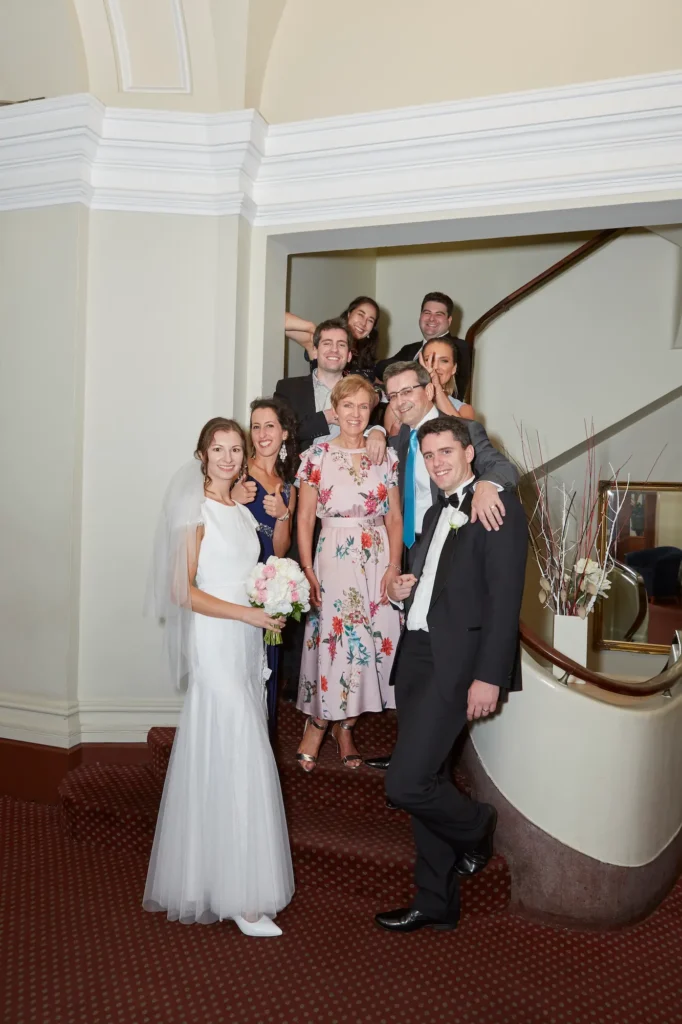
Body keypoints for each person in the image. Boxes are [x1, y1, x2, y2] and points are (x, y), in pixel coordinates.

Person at [375, 416, 527, 933]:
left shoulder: (494, 506)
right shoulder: (439, 510)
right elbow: (435, 584)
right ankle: (435, 899)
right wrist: (400, 592)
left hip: (456, 666)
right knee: (430, 776)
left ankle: (478, 824)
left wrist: (490, 676)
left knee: (407, 782)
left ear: (469, 454)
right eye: (430, 455)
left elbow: (505, 602)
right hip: (416, 655)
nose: (438, 463)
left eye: (447, 452)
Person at [143, 417, 294, 938]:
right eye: (219, 449)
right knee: (239, 748)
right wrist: (249, 614)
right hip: (216, 640)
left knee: (235, 750)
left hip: (247, 643)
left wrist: (272, 597)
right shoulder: (196, 509)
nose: (229, 457)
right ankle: (240, 898)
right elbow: (183, 592)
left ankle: (224, 880)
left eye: (237, 448)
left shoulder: (241, 509)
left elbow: (253, 571)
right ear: (202, 455)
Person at [363, 361, 519, 773]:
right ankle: (414, 765)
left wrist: (487, 483)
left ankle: (417, 775)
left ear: (429, 388)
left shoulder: (460, 430)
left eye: (407, 391)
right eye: (392, 396)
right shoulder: (399, 439)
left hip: (459, 563)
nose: (399, 402)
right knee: (417, 685)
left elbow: (501, 466)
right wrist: (376, 429)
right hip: (421, 559)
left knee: (443, 681)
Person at [295, 376, 403, 772]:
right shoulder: (316, 456)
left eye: (363, 407)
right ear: (335, 410)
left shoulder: (385, 457)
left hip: (377, 555)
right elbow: (305, 517)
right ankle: (320, 721)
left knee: (373, 640)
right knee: (339, 637)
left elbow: (394, 517)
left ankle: (347, 726)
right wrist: (307, 569)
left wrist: (393, 567)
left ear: (371, 410)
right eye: (348, 406)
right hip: (334, 555)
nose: (355, 414)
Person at [231, 397, 298, 735]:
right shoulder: (239, 472)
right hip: (236, 583)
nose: (261, 433)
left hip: (266, 588)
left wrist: (282, 514)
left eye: (269, 425)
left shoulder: (288, 487)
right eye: (255, 426)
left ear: (284, 433)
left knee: (263, 671)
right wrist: (233, 499)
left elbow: (281, 549)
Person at [375, 291, 471, 400]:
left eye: (439, 314)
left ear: (449, 321)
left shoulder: (459, 347)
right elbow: (380, 368)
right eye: (427, 312)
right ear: (420, 317)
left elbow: (456, 389)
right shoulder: (410, 349)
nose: (431, 318)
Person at [383, 337, 475, 436]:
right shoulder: (399, 402)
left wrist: (436, 386)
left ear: (454, 368)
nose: (435, 367)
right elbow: (392, 446)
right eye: (428, 360)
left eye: (444, 361)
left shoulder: (463, 409)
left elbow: (463, 437)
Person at [285, 297, 380, 381]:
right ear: (349, 314)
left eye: (370, 320)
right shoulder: (322, 341)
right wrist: (312, 328)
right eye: (360, 314)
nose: (363, 323)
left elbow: (374, 381)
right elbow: (277, 318)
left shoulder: (365, 355)